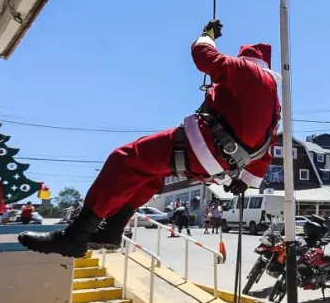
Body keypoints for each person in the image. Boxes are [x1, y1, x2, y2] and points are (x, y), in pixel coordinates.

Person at [18, 19, 280, 257]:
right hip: (219, 165)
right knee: (150, 175)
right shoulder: (274, 102)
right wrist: (244, 182)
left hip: (200, 147)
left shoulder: (245, 71)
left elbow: (204, 57)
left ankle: (74, 236)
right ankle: (112, 229)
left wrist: (207, 35)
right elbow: (267, 146)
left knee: (124, 159)